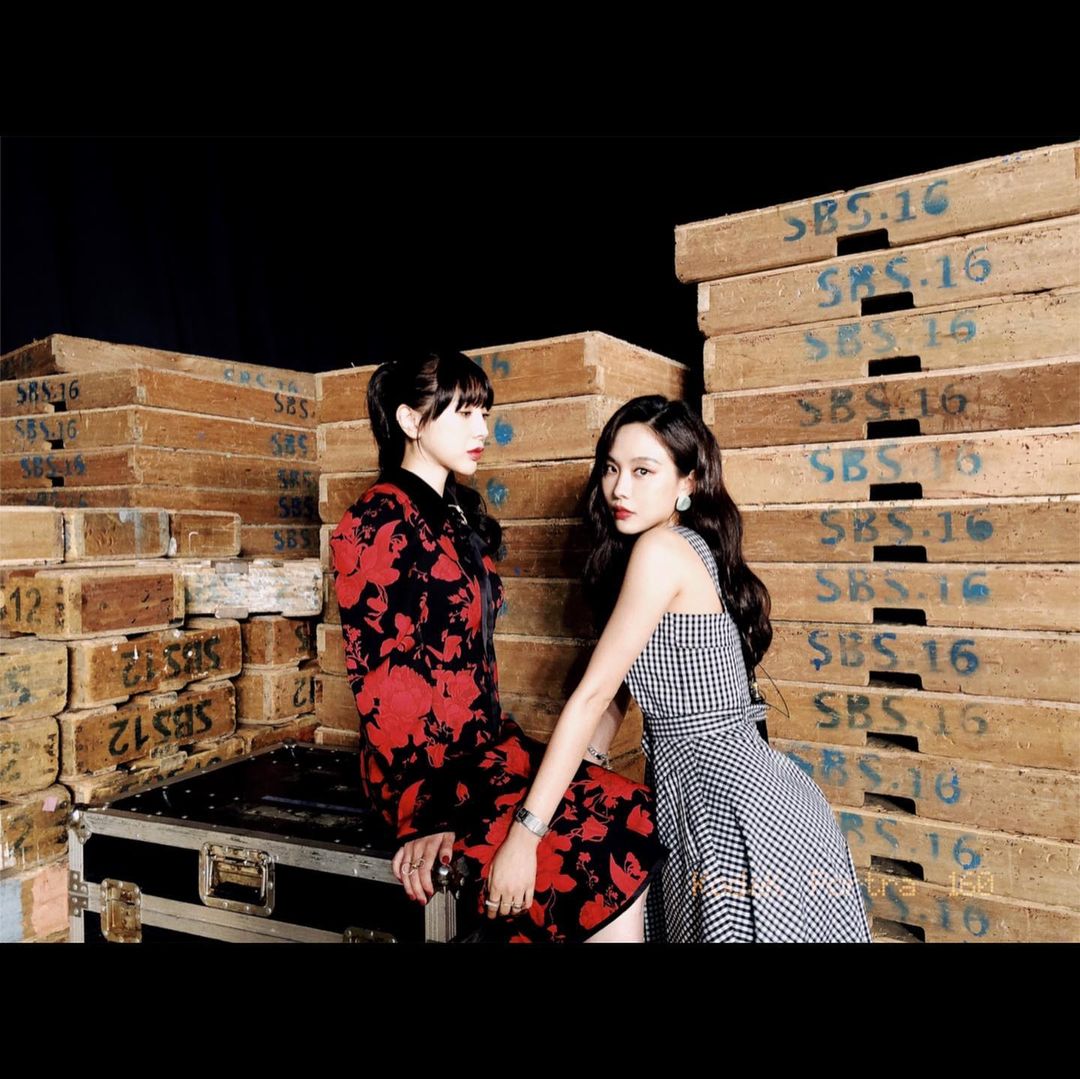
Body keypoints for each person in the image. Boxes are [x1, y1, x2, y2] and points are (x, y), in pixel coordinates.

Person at [485, 395, 872, 942]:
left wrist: (526, 835)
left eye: (643, 471)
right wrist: (579, 781)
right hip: (719, 797)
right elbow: (617, 693)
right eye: (612, 468)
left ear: (688, 482)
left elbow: (593, 695)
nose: (620, 489)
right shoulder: (675, 548)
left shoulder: (662, 550)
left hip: (732, 810)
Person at [329, 351, 668, 942]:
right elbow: (381, 684)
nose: (482, 430)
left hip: (484, 748)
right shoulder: (375, 521)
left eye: (484, 413)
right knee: (593, 848)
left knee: (631, 811)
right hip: (422, 777)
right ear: (410, 421)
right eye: (463, 413)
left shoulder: (454, 513)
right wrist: (427, 816)